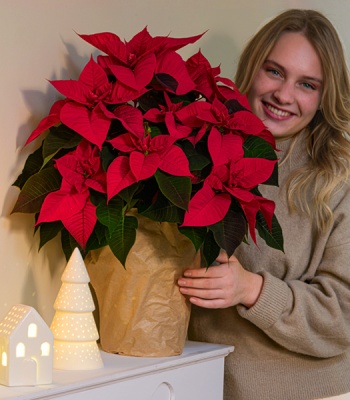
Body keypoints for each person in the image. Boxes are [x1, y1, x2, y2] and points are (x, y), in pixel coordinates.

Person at [178, 9, 350, 400]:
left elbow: (344, 316)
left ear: (324, 97)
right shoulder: (196, 150)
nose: (283, 95)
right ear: (253, 67)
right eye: (274, 71)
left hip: (310, 393)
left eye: (307, 84)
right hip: (197, 384)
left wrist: (252, 289)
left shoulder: (338, 180)